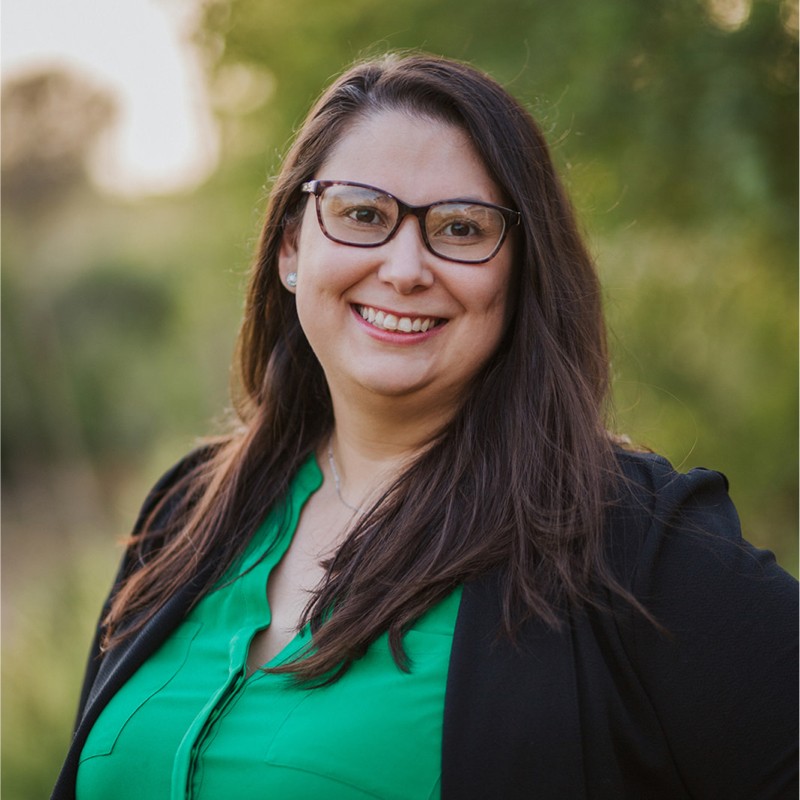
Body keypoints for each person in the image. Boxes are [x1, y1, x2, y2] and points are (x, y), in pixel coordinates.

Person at [53, 53, 796, 800]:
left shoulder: (628, 539)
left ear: (520, 273)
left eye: (462, 229)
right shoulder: (185, 513)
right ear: (290, 248)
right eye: (363, 215)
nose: (405, 267)